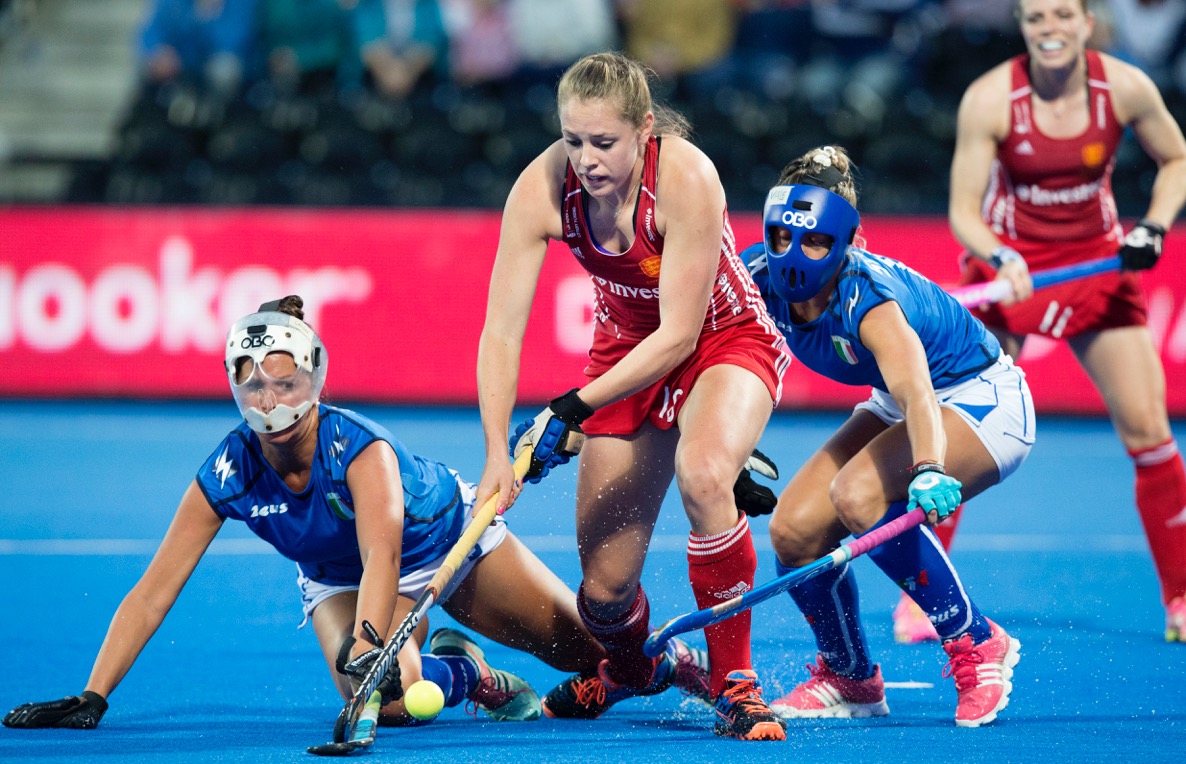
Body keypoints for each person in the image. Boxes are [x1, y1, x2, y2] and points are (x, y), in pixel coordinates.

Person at [2, 295, 618, 731]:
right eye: (253, 385)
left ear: (314, 379)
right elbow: (152, 592)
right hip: (336, 577)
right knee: (390, 702)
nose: (269, 399)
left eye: (284, 381)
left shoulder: (360, 450)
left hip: (440, 539)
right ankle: (469, 672)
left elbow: (384, 554)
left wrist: (369, 643)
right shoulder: (228, 471)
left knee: (592, 655)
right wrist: (94, 694)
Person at [474, 51, 792, 741]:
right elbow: (501, 330)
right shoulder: (540, 189)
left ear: (645, 129)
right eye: (573, 140)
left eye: (604, 142)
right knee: (604, 594)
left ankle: (735, 683)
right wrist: (497, 450)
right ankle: (635, 668)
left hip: (721, 338)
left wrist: (571, 409)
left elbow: (680, 337)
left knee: (703, 475)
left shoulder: (686, 177)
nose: (586, 160)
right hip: (623, 354)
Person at [746, 146, 1030, 728]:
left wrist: (928, 468)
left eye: (816, 241)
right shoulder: (754, 278)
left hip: (979, 397)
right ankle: (850, 677)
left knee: (857, 494)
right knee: (794, 532)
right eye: (782, 237)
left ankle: (976, 640)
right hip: (894, 400)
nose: (794, 255)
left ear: (848, 241)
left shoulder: (868, 299)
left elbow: (919, 393)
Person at [948, 0, 1186, 642]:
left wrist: (1154, 226)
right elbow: (963, 211)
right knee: (958, 434)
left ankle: (1181, 599)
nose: (1048, 29)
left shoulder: (1126, 87)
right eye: (1035, 18)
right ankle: (926, 600)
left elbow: (1177, 159)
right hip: (1012, 267)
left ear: (1087, 23)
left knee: (1150, 433)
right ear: (1022, 27)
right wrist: (1001, 256)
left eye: (1061, 16)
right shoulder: (989, 98)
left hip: (1096, 267)